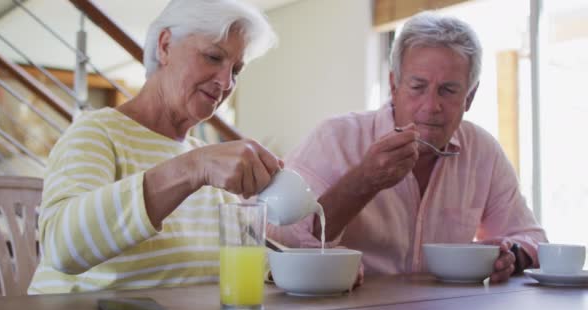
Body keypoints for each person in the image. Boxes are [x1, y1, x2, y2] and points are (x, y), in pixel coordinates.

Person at [268, 12, 547, 283]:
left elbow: (531, 239)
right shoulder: (335, 138)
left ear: (470, 97)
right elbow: (280, 240)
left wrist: (511, 256)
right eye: (418, 86)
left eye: (448, 90)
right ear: (394, 85)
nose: (431, 106)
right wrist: (363, 182)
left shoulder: (483, 151)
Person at [29, 0, 280, 294]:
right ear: (165, 47)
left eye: (236, 70)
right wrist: (193, 167)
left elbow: (254, 264)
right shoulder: (96, 133)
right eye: (213, 57)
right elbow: (62, 247)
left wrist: (323, 268)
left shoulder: (207, 159)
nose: (225, 82)